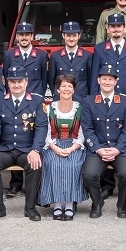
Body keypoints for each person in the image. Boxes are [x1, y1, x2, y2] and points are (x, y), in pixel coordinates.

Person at [0, 66, 47, 221]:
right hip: (6, 148)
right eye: (13, 82)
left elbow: (41, 127)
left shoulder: (37, 101)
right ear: (8, 83)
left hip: (27, 149)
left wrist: (36, 150)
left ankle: (30, 207)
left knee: (35, 165)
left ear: (26, 82)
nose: (16, 85)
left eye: (20, 81)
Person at [81, 65, 126, 218]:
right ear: (98, 80)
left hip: (120, 149)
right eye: (104, 79)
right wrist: (98, 149)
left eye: (110, 79)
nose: (107, 82)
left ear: (116, 82)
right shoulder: (89, 101)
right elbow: (88, 129)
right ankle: (97, 203)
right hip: (98, 149)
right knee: (89, 175)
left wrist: (118, 149)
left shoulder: (125, 101)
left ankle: (122, 204)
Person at [38, 75, 88, 220]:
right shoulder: (49, 107)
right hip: (53, 144)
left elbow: (82, 134)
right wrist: (55, 148)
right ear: (58, 89)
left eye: (69, 86)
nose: (66, 89)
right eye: (63, 86)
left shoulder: (80, 107)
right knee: (53, 163)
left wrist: (72, 148)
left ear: (74, 89)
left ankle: (70, 204)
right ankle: (58, 205)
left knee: (73, 164)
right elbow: (45, 132)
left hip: (74, 145)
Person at [90, 13, 126, 104]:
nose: (116, 29)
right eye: (113, 26)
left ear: (124, 28)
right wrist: (94, 102)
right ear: (108, 28)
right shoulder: (99, 49)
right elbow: (95, 78)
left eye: (119, 26)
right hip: (106, 100)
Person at [48, 21, 92, 101]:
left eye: (74, 35)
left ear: (79, 36)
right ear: (63, 36)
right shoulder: (55, 56)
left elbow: (90, 80)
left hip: (81, 100)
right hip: (60, 100)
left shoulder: (88, 56)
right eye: (68, 35)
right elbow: (52, 80)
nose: (71, 39)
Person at [3, 23, 49, 97]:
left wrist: (40, 96)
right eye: (21, 35)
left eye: (27, 35)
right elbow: (6, 79)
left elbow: (44, 79)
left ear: (32, 36)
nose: (24, 38)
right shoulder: (9, 55)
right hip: (16, 98)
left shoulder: (42, 55)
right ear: (17, 37)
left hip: (35, 98)